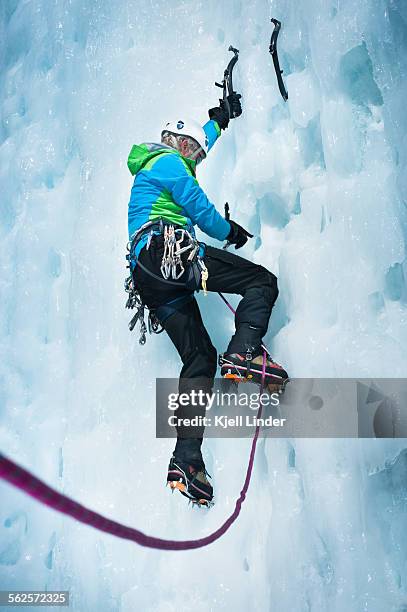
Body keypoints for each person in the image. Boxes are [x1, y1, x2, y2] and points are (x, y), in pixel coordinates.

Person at [127, 96, 288, 506]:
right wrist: (229, 231)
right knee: (261, 282)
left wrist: (218, 122)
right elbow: (198, 206)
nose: (196, 157)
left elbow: (198, 147)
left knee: (199, 357)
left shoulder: (166, 162)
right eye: (193, 150)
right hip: (169, 250)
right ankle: (245, 352)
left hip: (152, 279)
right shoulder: (165, 161)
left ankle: (186, 461)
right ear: (174, 140)